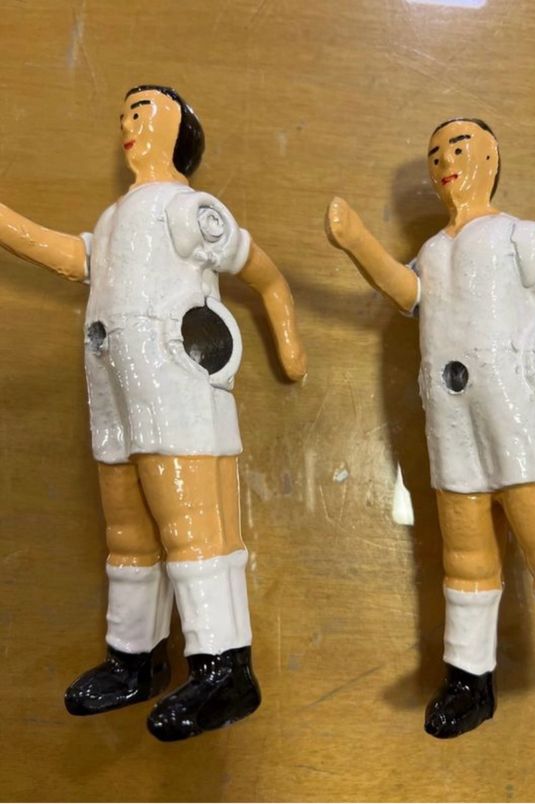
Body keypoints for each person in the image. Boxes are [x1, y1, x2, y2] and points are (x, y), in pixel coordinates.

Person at [0, 85, 306, 742]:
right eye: (125, 115)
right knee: (129, 533)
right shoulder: (114, 220)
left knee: (193, 524)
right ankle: (134, 658)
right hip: (115, 392)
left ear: (180, 132)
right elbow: (71, 256)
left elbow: (264, 273)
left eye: (143, 112)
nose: (129, 124)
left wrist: (287, 335)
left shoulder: (187, 210)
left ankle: (225, 666)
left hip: (174, 386)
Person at [325, 117, 535, 761]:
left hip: (518, 413)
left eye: (459, 149)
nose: (445, 162)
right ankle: (469, 679)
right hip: (453, 420)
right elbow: (407, 291)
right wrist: (355, 241)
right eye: (435, 154)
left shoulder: (521, 237)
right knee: (465, 558)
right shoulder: (434, 251)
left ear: (491, 159)